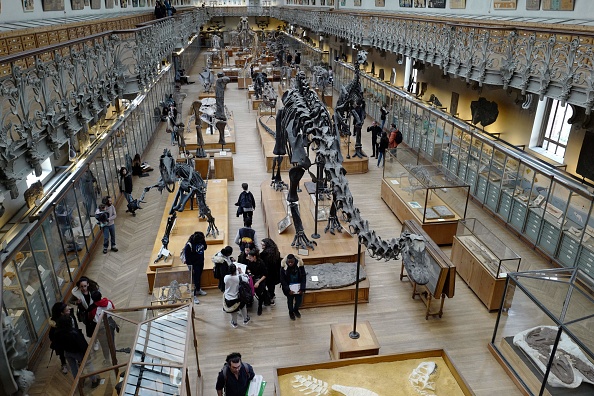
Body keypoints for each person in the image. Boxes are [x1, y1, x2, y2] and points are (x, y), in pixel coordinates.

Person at [52, 315, 101, 387]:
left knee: (73, 367)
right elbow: (82, 344)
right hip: (78, 352)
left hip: (67, 352)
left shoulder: (57, 333)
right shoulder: (74, 332)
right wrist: (86, 354)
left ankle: (79, 382)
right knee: (88, 364)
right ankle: (94, 380)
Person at [69, 276, 100, 349]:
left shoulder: (93, 291)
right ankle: (95, 341)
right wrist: (76, 302)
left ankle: (100, 338)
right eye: (81, 286)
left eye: (85, 286)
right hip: (85, 314)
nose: (83, 288)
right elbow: (70, 301)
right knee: (91, 329)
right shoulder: (76, 293)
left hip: (94, 311)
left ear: (88, 284)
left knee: (98, 326)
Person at [87, 291, 116, 364]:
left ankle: (107, 360)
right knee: (112, 342)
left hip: (101, 327)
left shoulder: (92, 308)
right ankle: (114, 358)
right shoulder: (108, 302)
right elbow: (114, 310)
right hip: (111, 323)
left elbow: (90, 318)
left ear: (92, 299)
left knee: (104, 344)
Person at [49, 302, 77, 375]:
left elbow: (75, 326)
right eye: (66, 310)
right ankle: (63, 364)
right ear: (61, 313)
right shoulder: (55, 324)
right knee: (62, 353)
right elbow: (52, 336)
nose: (69, 309)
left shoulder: (70, 316)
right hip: (61, 343)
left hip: (72, 339)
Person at [183, 231, 208, 304]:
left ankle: (198, 289)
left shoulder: (201, 242)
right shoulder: (189, 246)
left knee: (199, 277)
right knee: (194, 280)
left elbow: (205, 248)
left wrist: (203, 241)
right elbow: (188, 259)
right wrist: (191, 268)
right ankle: (193, 296)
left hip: (200, 262)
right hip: (194, 265)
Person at [280, 254, 306, 320]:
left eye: (292, 262)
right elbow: (283, 281)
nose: (290, 263)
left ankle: (296, 310)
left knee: (299, 301)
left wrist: (302, 288)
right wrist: (288, 290)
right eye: (289, 262)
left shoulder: (300, 266)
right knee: (290, 301)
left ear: (295, 260)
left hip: (298, 288)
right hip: (289, 289)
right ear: (287, 261)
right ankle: (291, 312)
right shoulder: (283, 268)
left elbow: (303, 277)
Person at [223, 264, 250, 328]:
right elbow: (247, 279)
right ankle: (245, 319)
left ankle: (234, 323)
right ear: (235, 270)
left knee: (233, 310)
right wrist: (241, 272)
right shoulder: (239, 277)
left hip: (228, 298)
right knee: (243, 307)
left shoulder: (226, 277)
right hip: (238, 297)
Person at [245, 249, 269, 316]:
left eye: (250, 258)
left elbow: (265, 275)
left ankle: (260, 306)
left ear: (254, 257)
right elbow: (248, 268)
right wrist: (249, 272)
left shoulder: (261, 263)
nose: (249, 259)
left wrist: (258, 282)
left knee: (259, 294)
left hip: (260, 279)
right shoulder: (250, 262)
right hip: (253, 278)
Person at [260, 238, 281, 305]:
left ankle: (267, 299)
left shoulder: (264, 254)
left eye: (263, 245)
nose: (262, 246)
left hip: (267, 274)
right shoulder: (276, 252)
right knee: (271, 287)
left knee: (264, 286)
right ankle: (272, 298)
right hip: (274, 274)